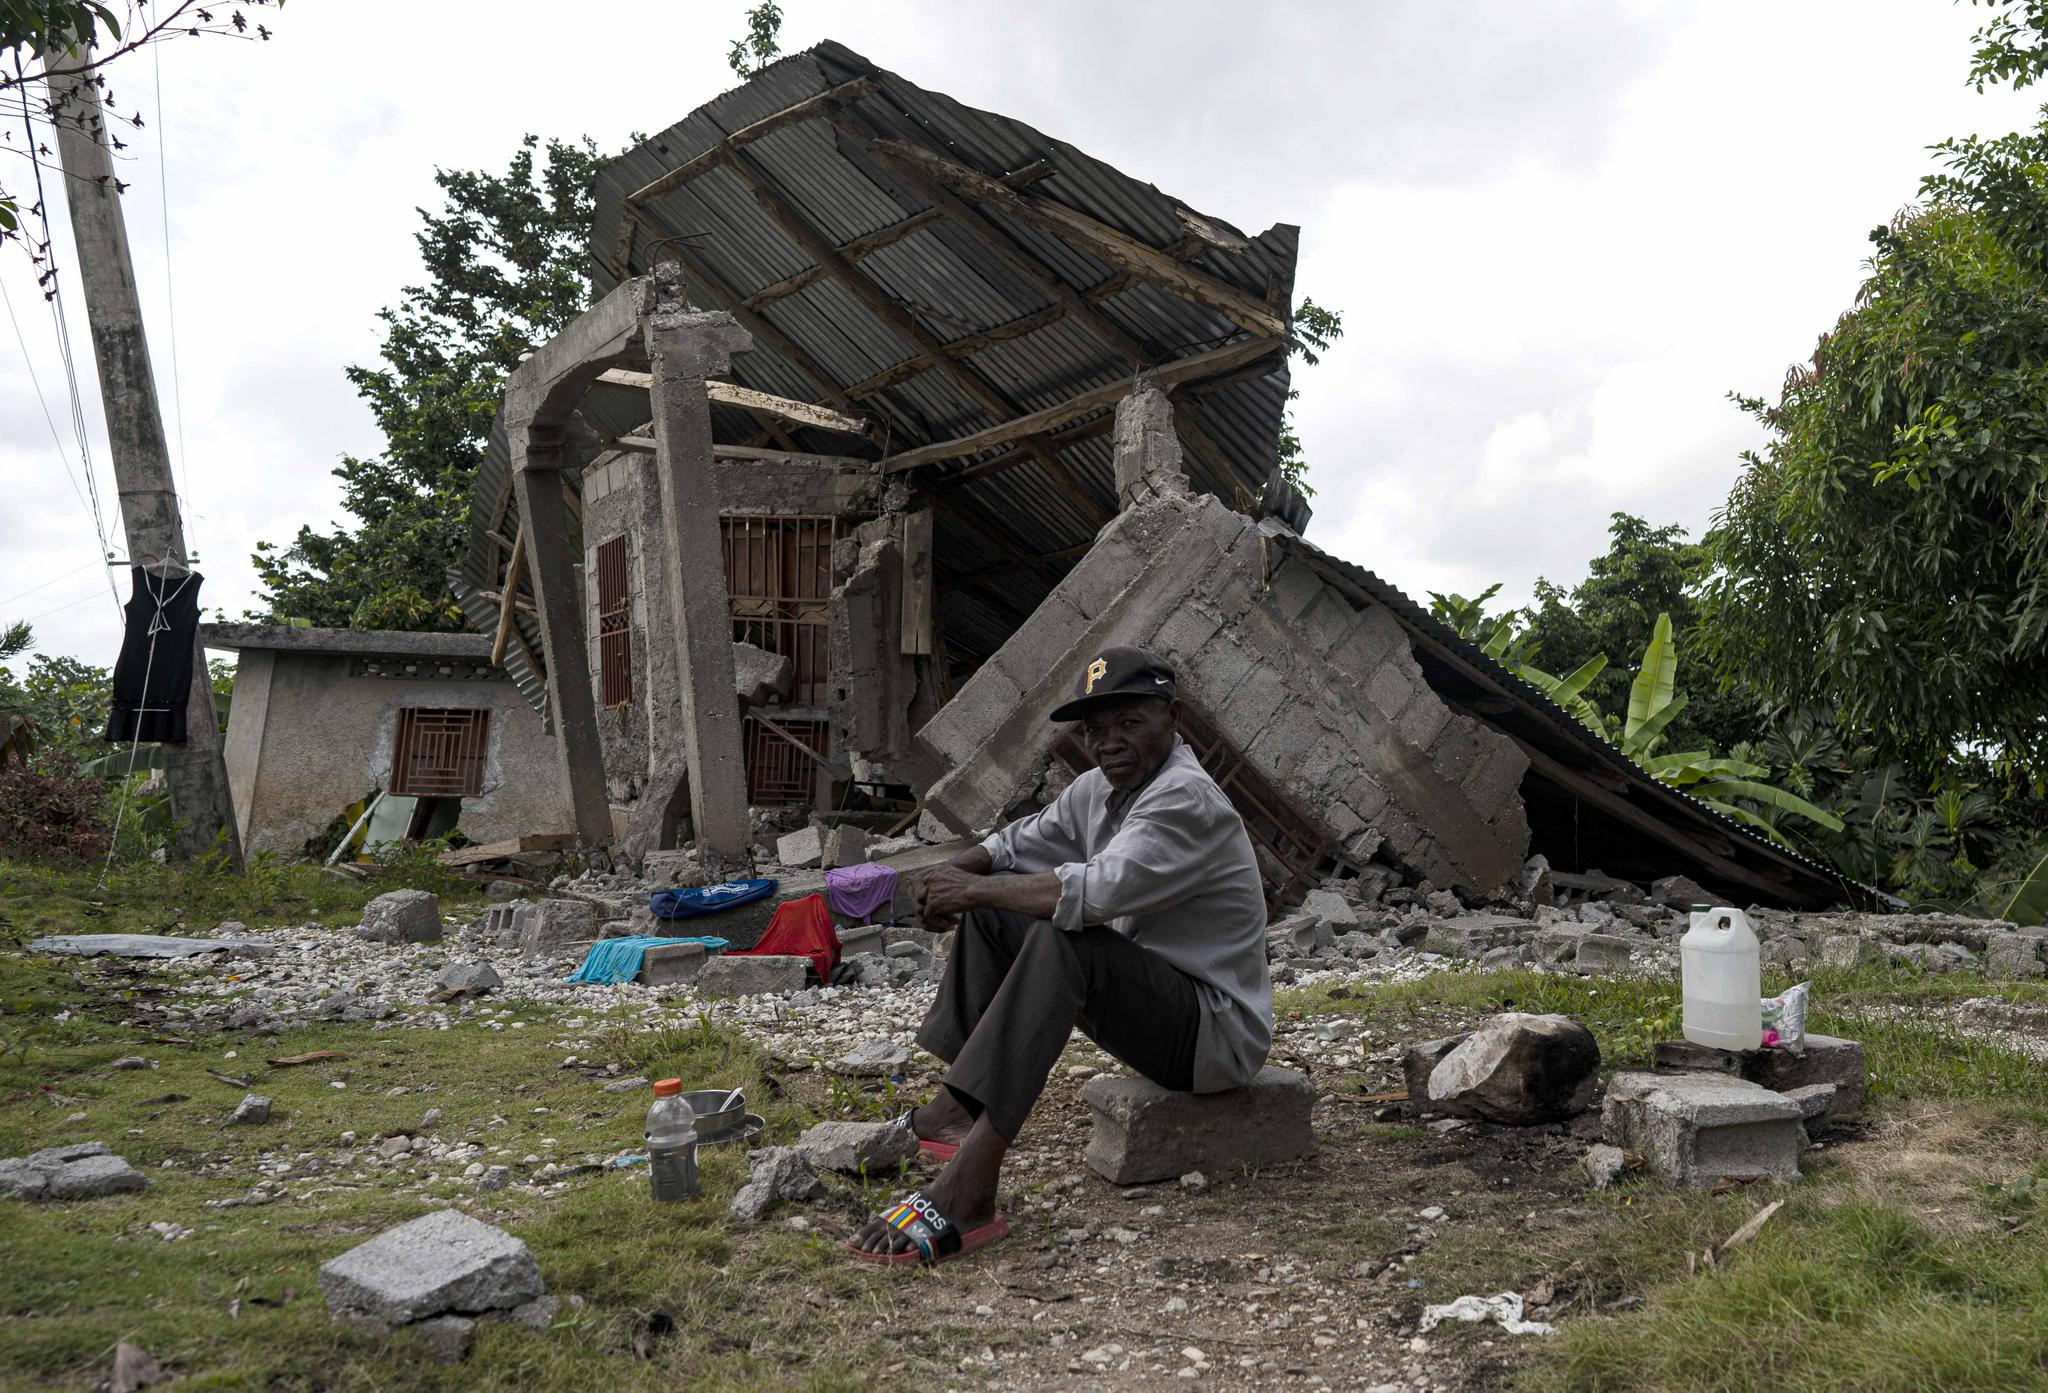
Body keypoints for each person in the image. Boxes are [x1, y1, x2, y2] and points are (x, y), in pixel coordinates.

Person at [848, 646, 1272, 1265]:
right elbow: (1015, 843)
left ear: (1172, 716)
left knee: (1060, 933)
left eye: (1130, 723)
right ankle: (951, 1111)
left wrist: (969, 887)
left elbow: (1090, 893)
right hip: (1151, 1003)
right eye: (1097, 730)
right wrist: (948, 876)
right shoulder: (1097, 791)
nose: (1110, 743)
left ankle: (969, 1191)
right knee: (999, 907)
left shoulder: (1186, 800)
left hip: (1212, 1036)